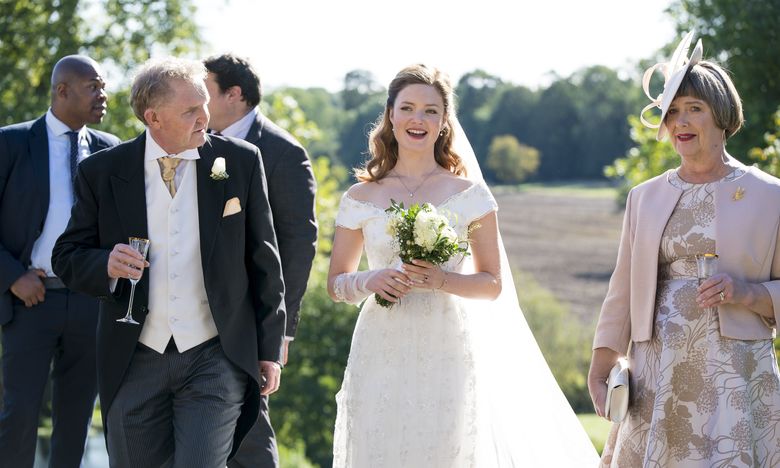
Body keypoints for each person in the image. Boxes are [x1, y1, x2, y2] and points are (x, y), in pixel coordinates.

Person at [327, 64, 599, 467]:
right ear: (390, 115)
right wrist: (371, 279)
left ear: (444, 122)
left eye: (430, 111)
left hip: (447, 344)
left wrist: (442, 279)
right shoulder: (360, 196)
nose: (418, 119)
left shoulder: (470, 195)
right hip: (380, 344)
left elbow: (492, 283)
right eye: (408, 108)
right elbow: (336, 284)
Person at [51, 57, 286, 468]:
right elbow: (67, 255)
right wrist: (106, 263)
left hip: (215, 355)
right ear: (153, 117)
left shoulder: (240, 161)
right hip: (134, 356)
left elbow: (264, 260)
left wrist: (269, 349)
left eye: (204, 105)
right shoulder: (102, 171)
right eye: (191, 110)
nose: (205, 118)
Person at [589, 31, 780, 467]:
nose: (680, 122)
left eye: (694, 108)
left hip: (737, 372)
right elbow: (622, 289)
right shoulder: (644, 196)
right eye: (672, 111)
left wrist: (747, 293)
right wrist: (601, 365)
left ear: (722, 115)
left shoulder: (771, 196)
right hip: (657, 368)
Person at [0, 54, 120, 467]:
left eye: (103, 87)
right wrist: (13, 276)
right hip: (30, 300)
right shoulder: (11, 143)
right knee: (19, 416)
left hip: (89, 302)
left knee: (76, 420)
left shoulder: (109, 149)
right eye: (93, 87)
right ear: (62, 90)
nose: (103, 95)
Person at [203, 53, 317, 468]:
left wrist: (280, 328)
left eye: (205, 90)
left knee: (249, 428)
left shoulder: (283, 152)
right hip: (196, 308)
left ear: (234, 94)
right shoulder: (196, 142)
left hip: (251, 315)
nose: (197, 100)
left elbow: (298, 245)